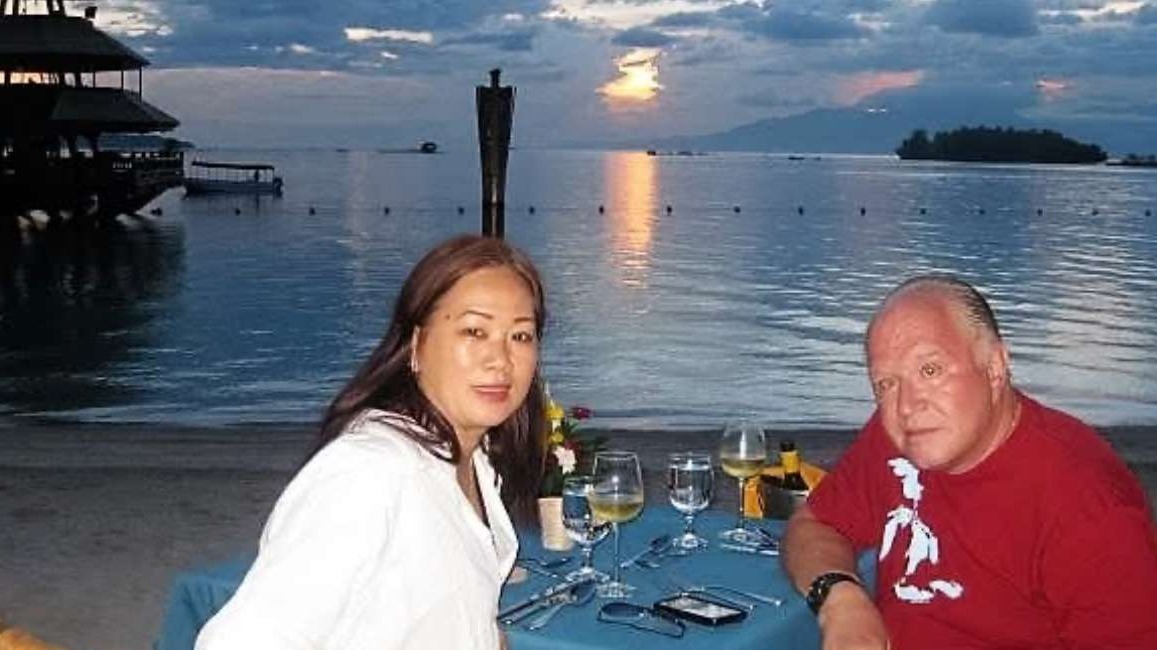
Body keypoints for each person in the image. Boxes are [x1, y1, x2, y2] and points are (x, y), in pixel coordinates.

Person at [196, 234, 548, 649]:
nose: (501, 359)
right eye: (474, 331)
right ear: (417, 345)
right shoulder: (370, 472)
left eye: (520, 336)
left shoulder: (475, 460)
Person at [782, 274, 1157, 649]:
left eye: (930, 371)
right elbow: (815, 523)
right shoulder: (893, 439)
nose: (908, 406)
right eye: (886, 384)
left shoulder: (1086, 504)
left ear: (995, 368)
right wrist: (840, 599)